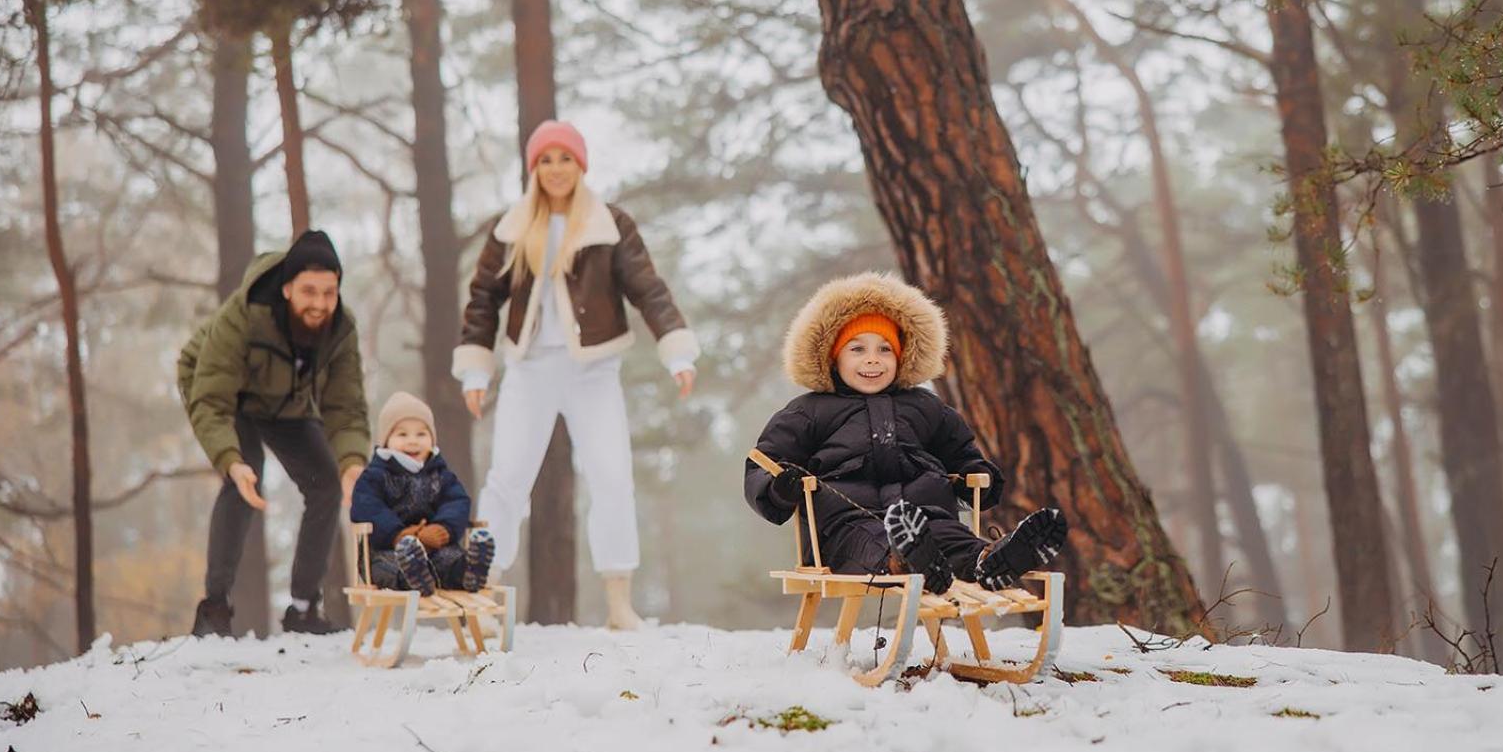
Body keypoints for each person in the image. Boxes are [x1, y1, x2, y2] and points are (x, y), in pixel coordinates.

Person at [454, 120, 698, 629]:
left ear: (581, 165)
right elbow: (482, 301)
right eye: (547, 159)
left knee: (612, 476)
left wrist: (677, 351)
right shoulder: (512, 226)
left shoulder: (609, 224)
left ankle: (617, 603)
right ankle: (485, 589)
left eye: (566, 158)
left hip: (593, 371)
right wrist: (476, 371)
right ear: (534, 168)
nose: (557, 169)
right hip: (529, 370)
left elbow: (647, 289)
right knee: (506, 480)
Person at [743, 272, 1066, 594]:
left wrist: (977, 474)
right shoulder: (809, 411)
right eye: (857, 349)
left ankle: (988, 560)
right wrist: (779, 488)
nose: (873, 359)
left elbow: (961, 453)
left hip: (925, 517)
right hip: (844, 529)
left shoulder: (926, 407)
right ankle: (903, 561)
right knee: (872, 538)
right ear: (832, 356)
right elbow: (764, 462)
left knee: (949, 534)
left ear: (902, 356)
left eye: (885, 349)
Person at [178, 230, 369, 637]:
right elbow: (210, 399)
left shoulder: (340, 330)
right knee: (245, 479)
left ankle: (303, 610)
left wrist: (352, 463)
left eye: (329, 293)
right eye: (309, 292)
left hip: (283, 401)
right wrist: (230, 459)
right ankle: (214, 609)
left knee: (327, 484)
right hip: (222, 392)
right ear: (287, 288)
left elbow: (345, 405)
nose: (320, 304)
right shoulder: (245, 314)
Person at [349, 391, 495, 595]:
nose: (413, 441)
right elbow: (367, 508)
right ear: (386, 440)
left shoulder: (440, 473)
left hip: (435, 548)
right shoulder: (375, 476)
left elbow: (457, 501)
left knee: (449, 560)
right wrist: (399, 535)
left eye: (421, 434)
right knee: (388, 568)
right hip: (388, 549)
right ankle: (413, 577)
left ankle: (469, 570)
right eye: (402, 434)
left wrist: (443, 529)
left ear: (432, 438)